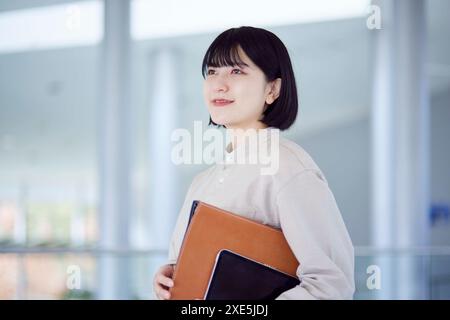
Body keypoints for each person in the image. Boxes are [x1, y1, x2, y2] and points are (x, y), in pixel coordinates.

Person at [153, 26, 354, 300]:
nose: (219, 83)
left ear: (272, 88)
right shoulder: (202, 182)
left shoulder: (288, 166)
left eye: (237, 71)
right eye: (212, 71)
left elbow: (332, 285)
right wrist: (170, 277)